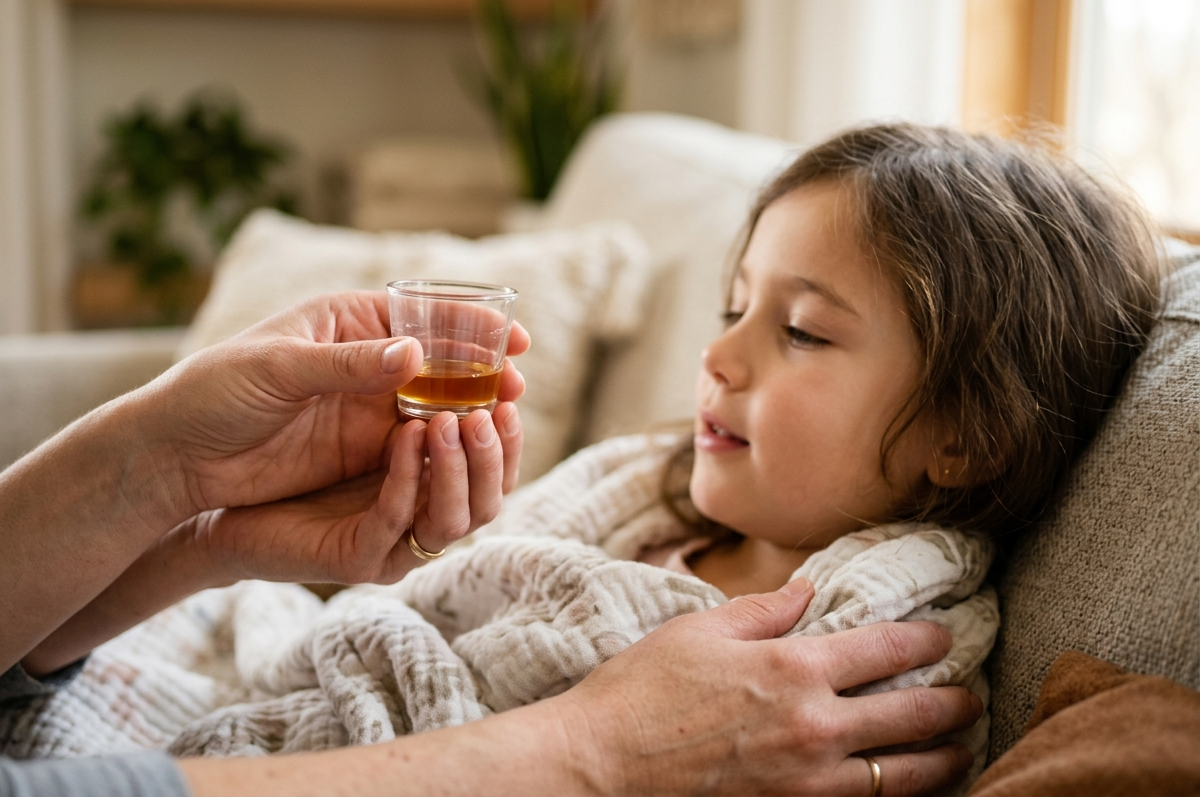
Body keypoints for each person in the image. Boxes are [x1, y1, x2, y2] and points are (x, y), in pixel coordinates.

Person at [1, 290, 983, 796]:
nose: (716, 351)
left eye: (804, 329)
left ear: (964, 433)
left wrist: (187, 502)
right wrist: (592, 750)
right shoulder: (630, 487)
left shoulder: (878, 621)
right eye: (733, 306)